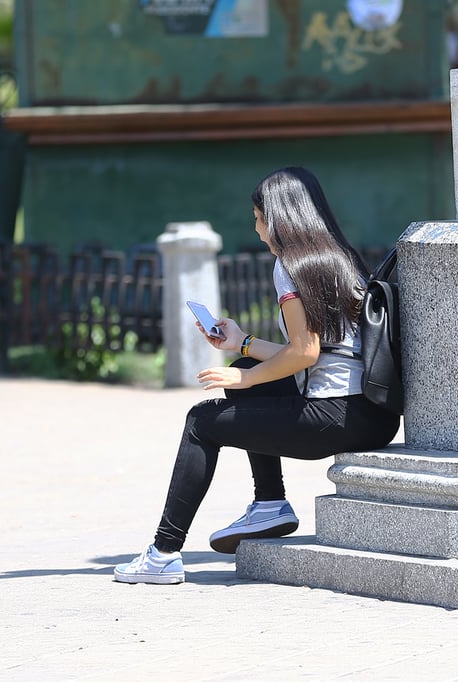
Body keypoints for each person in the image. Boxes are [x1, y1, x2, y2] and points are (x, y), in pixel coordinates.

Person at [114, 166, 401, 585]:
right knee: (246, 369)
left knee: (201, 422)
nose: (257, 229)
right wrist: (243, 344)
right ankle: (269, 504)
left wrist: (244, 382)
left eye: (257, 218)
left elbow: (305, 352)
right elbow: (322, 353)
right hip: (375, 415)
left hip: (337, 417)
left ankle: (163, 552)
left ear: (279, 218)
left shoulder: (290, 266)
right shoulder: (339, 259)